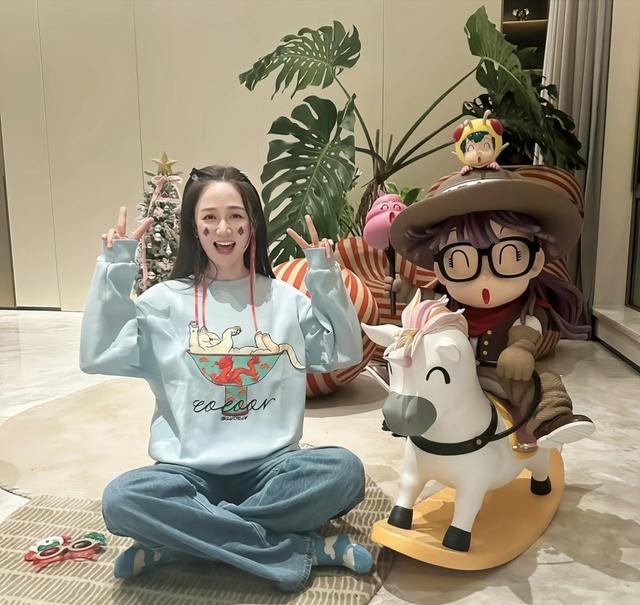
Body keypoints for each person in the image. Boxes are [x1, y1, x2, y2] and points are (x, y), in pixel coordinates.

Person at [80, 165, 373, 592]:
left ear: (252, 223)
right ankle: (302, 548)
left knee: (344, 472)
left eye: (236, 215)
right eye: (210, 217)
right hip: (187, 473)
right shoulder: (163, 302)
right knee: (124, 499)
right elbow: (98, 354)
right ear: (193, 226)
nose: (224, 228)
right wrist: (114, 268)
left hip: (272, 468)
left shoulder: (285, 300)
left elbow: (345, 351)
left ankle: (181, 543)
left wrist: (325, 277)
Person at [386, 168, 595, 449]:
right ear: (441, 271)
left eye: (509, 256)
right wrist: (409, 291)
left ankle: (552, 421)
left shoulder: (529, 307)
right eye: (460, 261)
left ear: (535, 262)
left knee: (542, 382)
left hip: (500, 373)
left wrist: (520, 348)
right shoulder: (448, 301)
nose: (485, 277)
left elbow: (527, 327)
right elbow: (430, 299)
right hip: (452, 372)